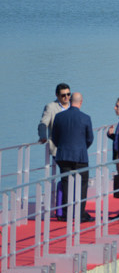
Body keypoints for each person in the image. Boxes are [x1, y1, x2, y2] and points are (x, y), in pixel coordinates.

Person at [50, 93, 94, 222]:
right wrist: (81, 148)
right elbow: (90, 138)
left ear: (70, 101)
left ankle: (65, 214)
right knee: (83, 184)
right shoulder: (86, 118)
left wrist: (63, 147)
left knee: (66, 183)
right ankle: (80, 214)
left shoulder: (59, 117)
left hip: (63, 155)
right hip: (80, 156)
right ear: (81, 102)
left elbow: (54, 137)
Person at [39, 83, 72, 212]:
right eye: (63, 95)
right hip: (58, 149)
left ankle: (68, 207)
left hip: (73, 148)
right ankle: (63, 210)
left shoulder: (72, 106)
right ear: (57, 95)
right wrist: (43, 136)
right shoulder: (51, 107)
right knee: (66, 176)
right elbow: (43, 124)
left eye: (68, 94)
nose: (66, 97)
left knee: (73, 177)